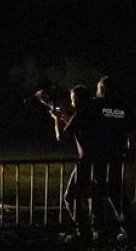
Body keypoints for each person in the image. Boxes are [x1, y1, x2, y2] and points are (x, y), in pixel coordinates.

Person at [51, 77, 130, 238]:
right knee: (103, 195)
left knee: (74, 196)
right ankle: (109, 229)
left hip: (90, 160)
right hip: (110, 157)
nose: (96, 93)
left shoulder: (93, 109)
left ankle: (87, 230)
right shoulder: (113, 109)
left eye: (99, 89)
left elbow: (67, 133)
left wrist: (56, 119)